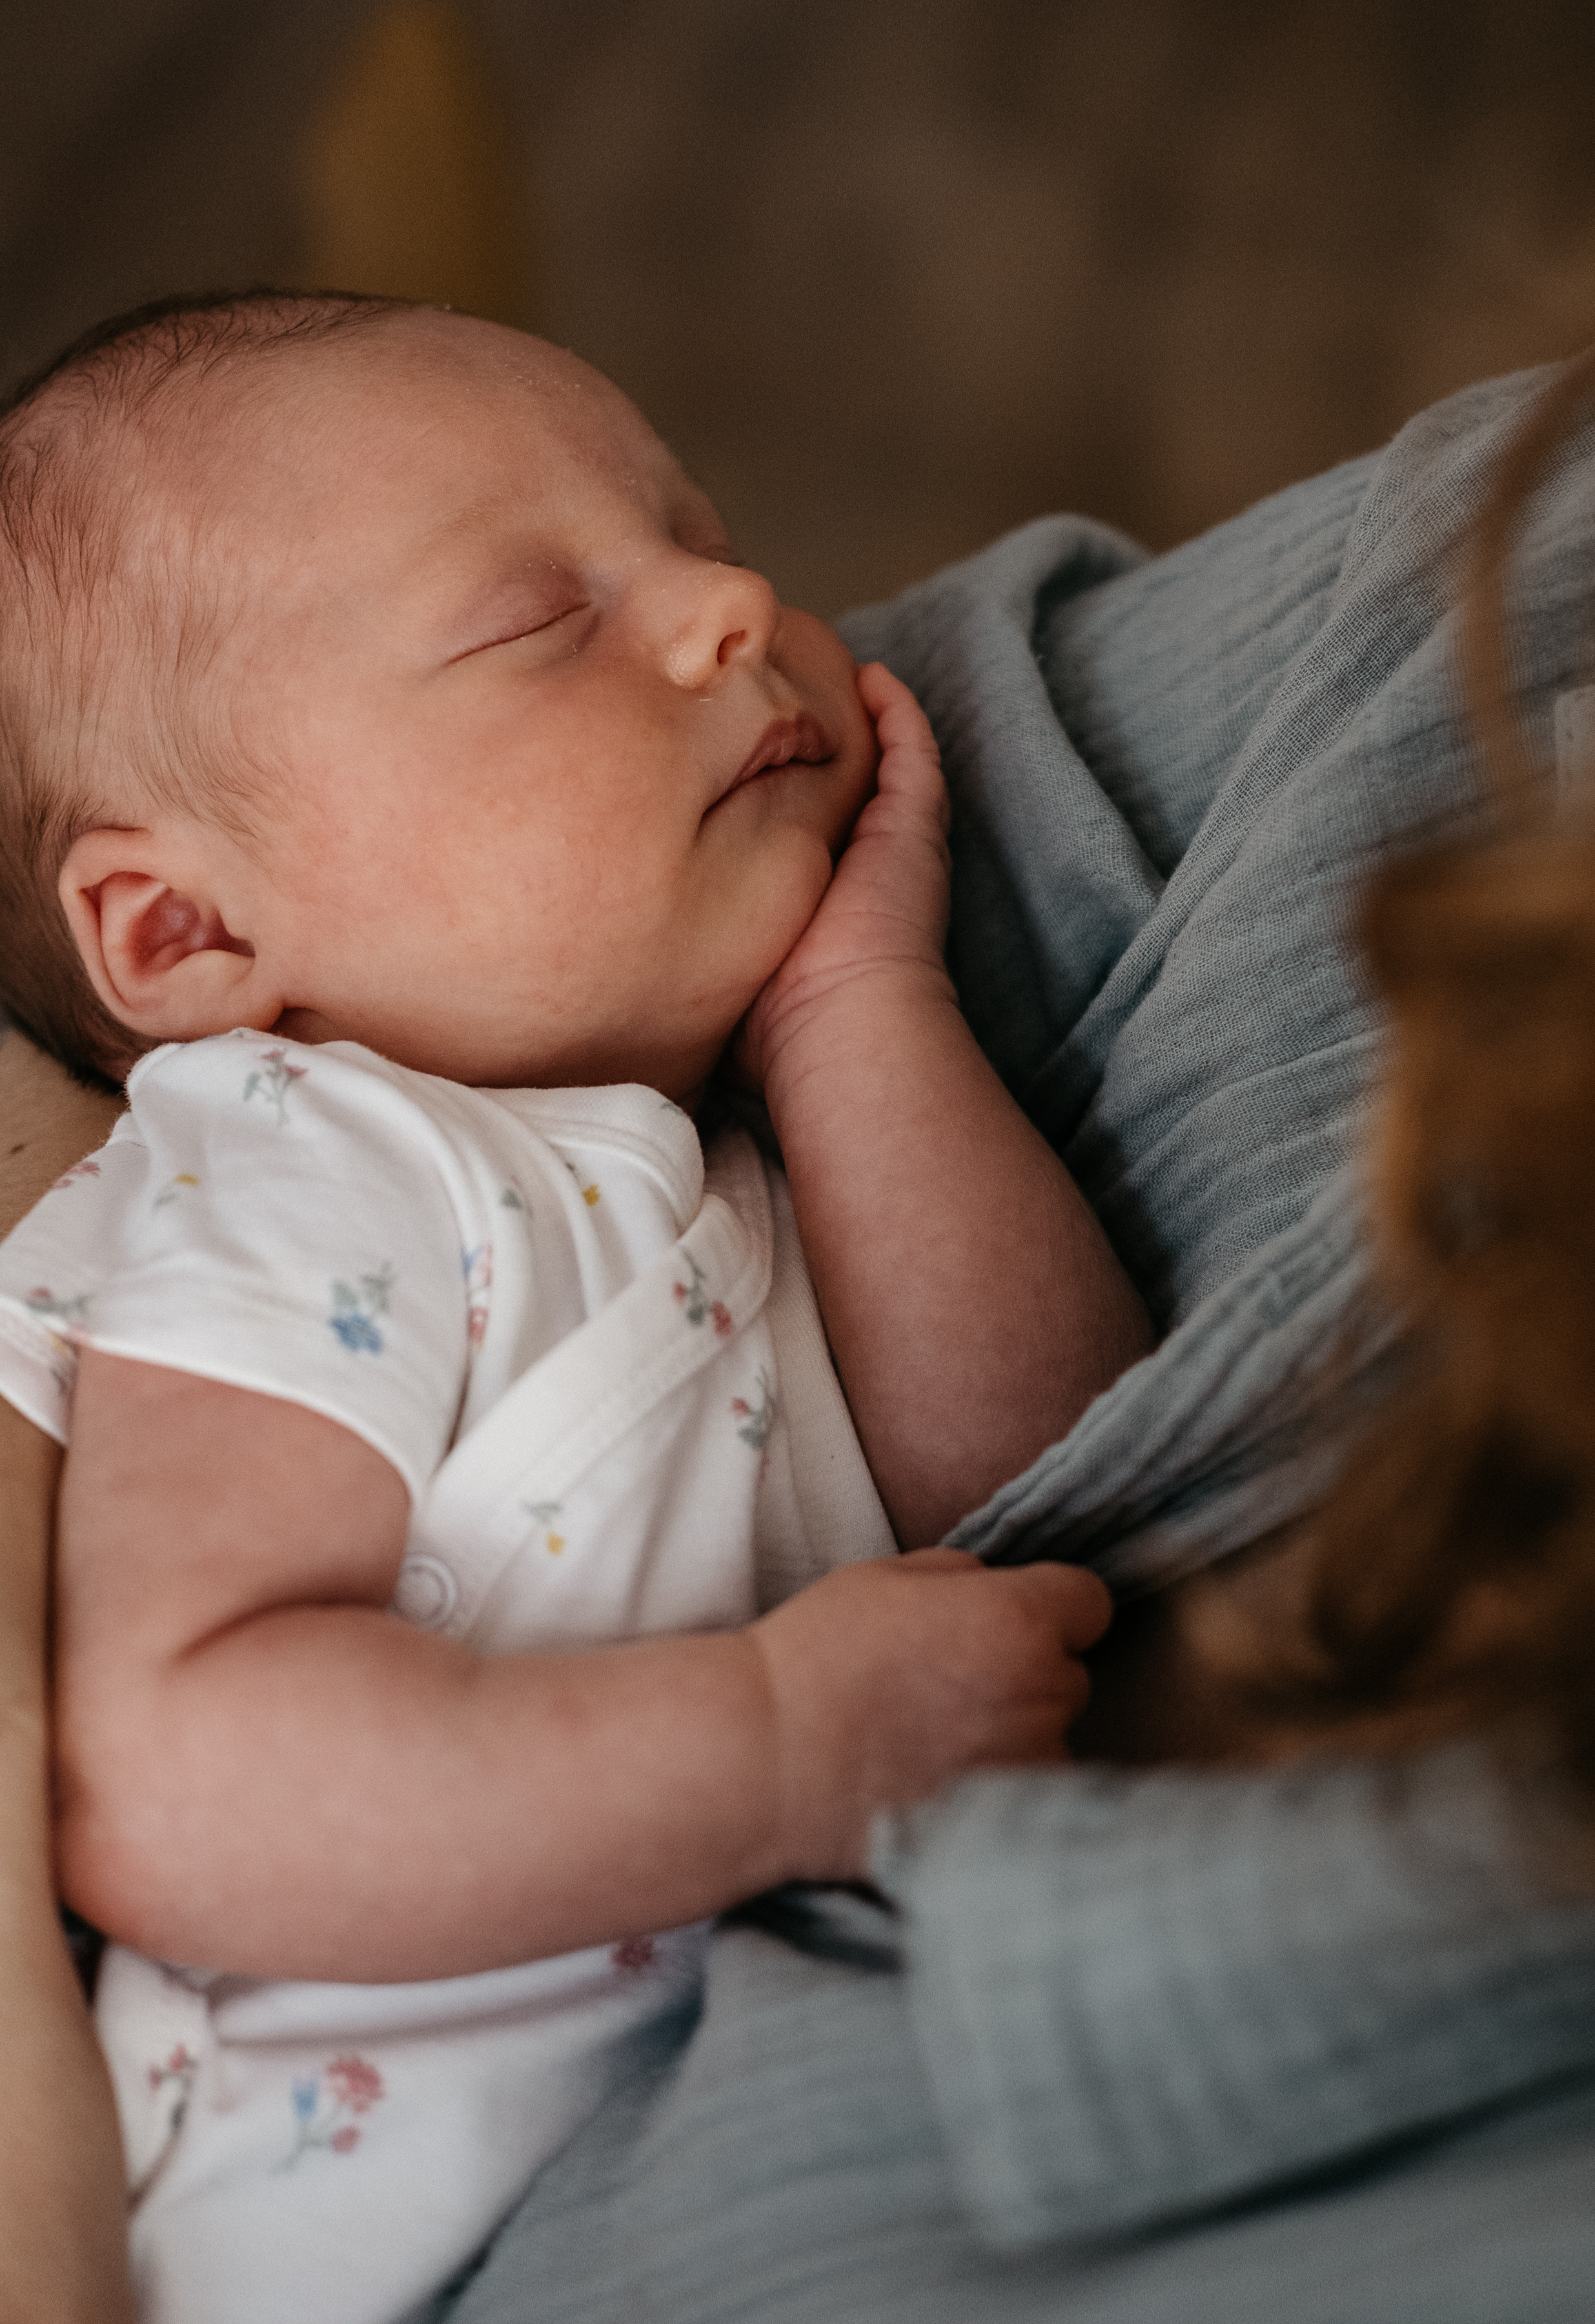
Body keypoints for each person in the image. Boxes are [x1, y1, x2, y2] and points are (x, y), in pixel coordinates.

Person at [7, 336, 1595, 2324]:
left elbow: (1050, 1460)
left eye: (700, 536)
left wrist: (860, 1018)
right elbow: (178, 1773)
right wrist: (776, 1747)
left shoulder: (727, 1150)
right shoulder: (300, 1163)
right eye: (536, 621)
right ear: (189, 940)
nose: (727, 607)